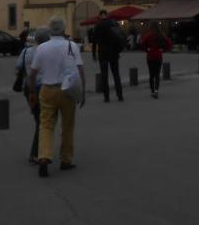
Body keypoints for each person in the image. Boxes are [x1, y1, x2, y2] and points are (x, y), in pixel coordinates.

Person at [28, 16, 85, 177]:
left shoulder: (42, 48)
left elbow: (32, 74)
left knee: (46, 125)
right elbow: (80, 70)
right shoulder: (72, 46)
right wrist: (82, 92)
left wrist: (32, 92)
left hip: (47, 89)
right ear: (64, 29)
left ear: (49, 30)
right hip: (67, 91)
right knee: (67, 126)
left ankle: (44, 157)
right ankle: (66, 159)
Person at [19, 27, 51, 163]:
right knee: (42, 121)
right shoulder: (47, 51)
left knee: (39, 119)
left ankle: (38, 152)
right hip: (42, 88)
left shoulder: (26, 51)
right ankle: (37, 153)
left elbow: (17, 68)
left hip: (28, 89)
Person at [94, 9, 124, 103]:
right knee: (116, 74)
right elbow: (120, 36)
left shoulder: (98, 25)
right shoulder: (114, 23)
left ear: (100, 16)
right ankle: (120, 95)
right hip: (114, 52)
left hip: (103, 52)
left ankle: (106, 97)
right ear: (107, 15)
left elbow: (95, 41)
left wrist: (93, 53)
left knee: (104, 75)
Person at [139, 23, 172, 99]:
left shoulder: (148, 35)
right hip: (158, 55)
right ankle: (156, 91)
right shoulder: (161, 35)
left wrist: (146, 49)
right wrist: (164, 50)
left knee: (151, 74)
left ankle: (152, 91)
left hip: (150, 56)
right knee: (157, 74)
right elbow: (169, 43)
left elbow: (141, 43)